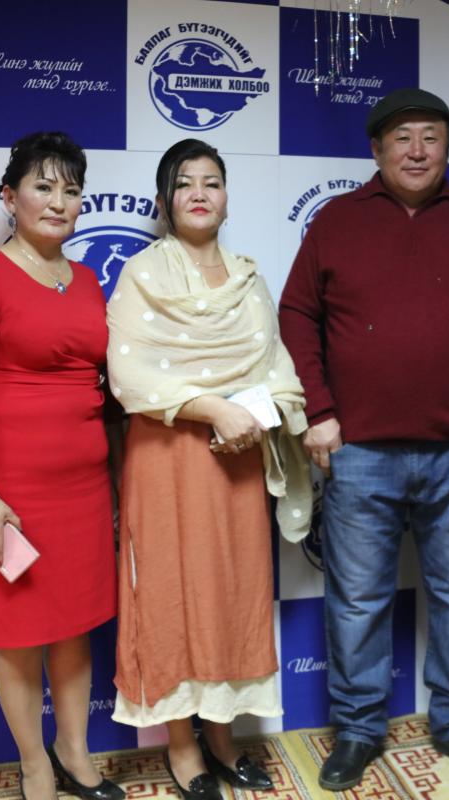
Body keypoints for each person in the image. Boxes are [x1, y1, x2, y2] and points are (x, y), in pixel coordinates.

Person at [279, 87, 449, 791]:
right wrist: (319, 411)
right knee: (358, 601)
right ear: (377, 148)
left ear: (448, 145)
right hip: (358, 451)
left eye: (431, 137)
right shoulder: (336, 221)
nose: (417, 151)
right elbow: (297, 315)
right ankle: (358, 730)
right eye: (403, 138)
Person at [105, 138, 312, 800]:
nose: (199, 192)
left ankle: (223, 736)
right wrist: (214, 409)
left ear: (226, 199)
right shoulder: (141, 275)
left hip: (236, 461)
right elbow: (130, 377)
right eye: (185, 182)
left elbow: (279, 373)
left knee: (231, 591)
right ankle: (182, 744)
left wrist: (249, 417)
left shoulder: (251, 279)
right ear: (164, 201)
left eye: (212, 182)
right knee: (168, 593)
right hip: (165, 458)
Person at [0, 132, 123, 800]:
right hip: (9, 491)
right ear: (10, 197)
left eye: (71, 190)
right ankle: (33, 766)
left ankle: (73, 753)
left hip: (84, 487)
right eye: (43, 187)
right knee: (17, 633)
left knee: (74, 625)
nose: (58, 202)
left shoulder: (89, 280)